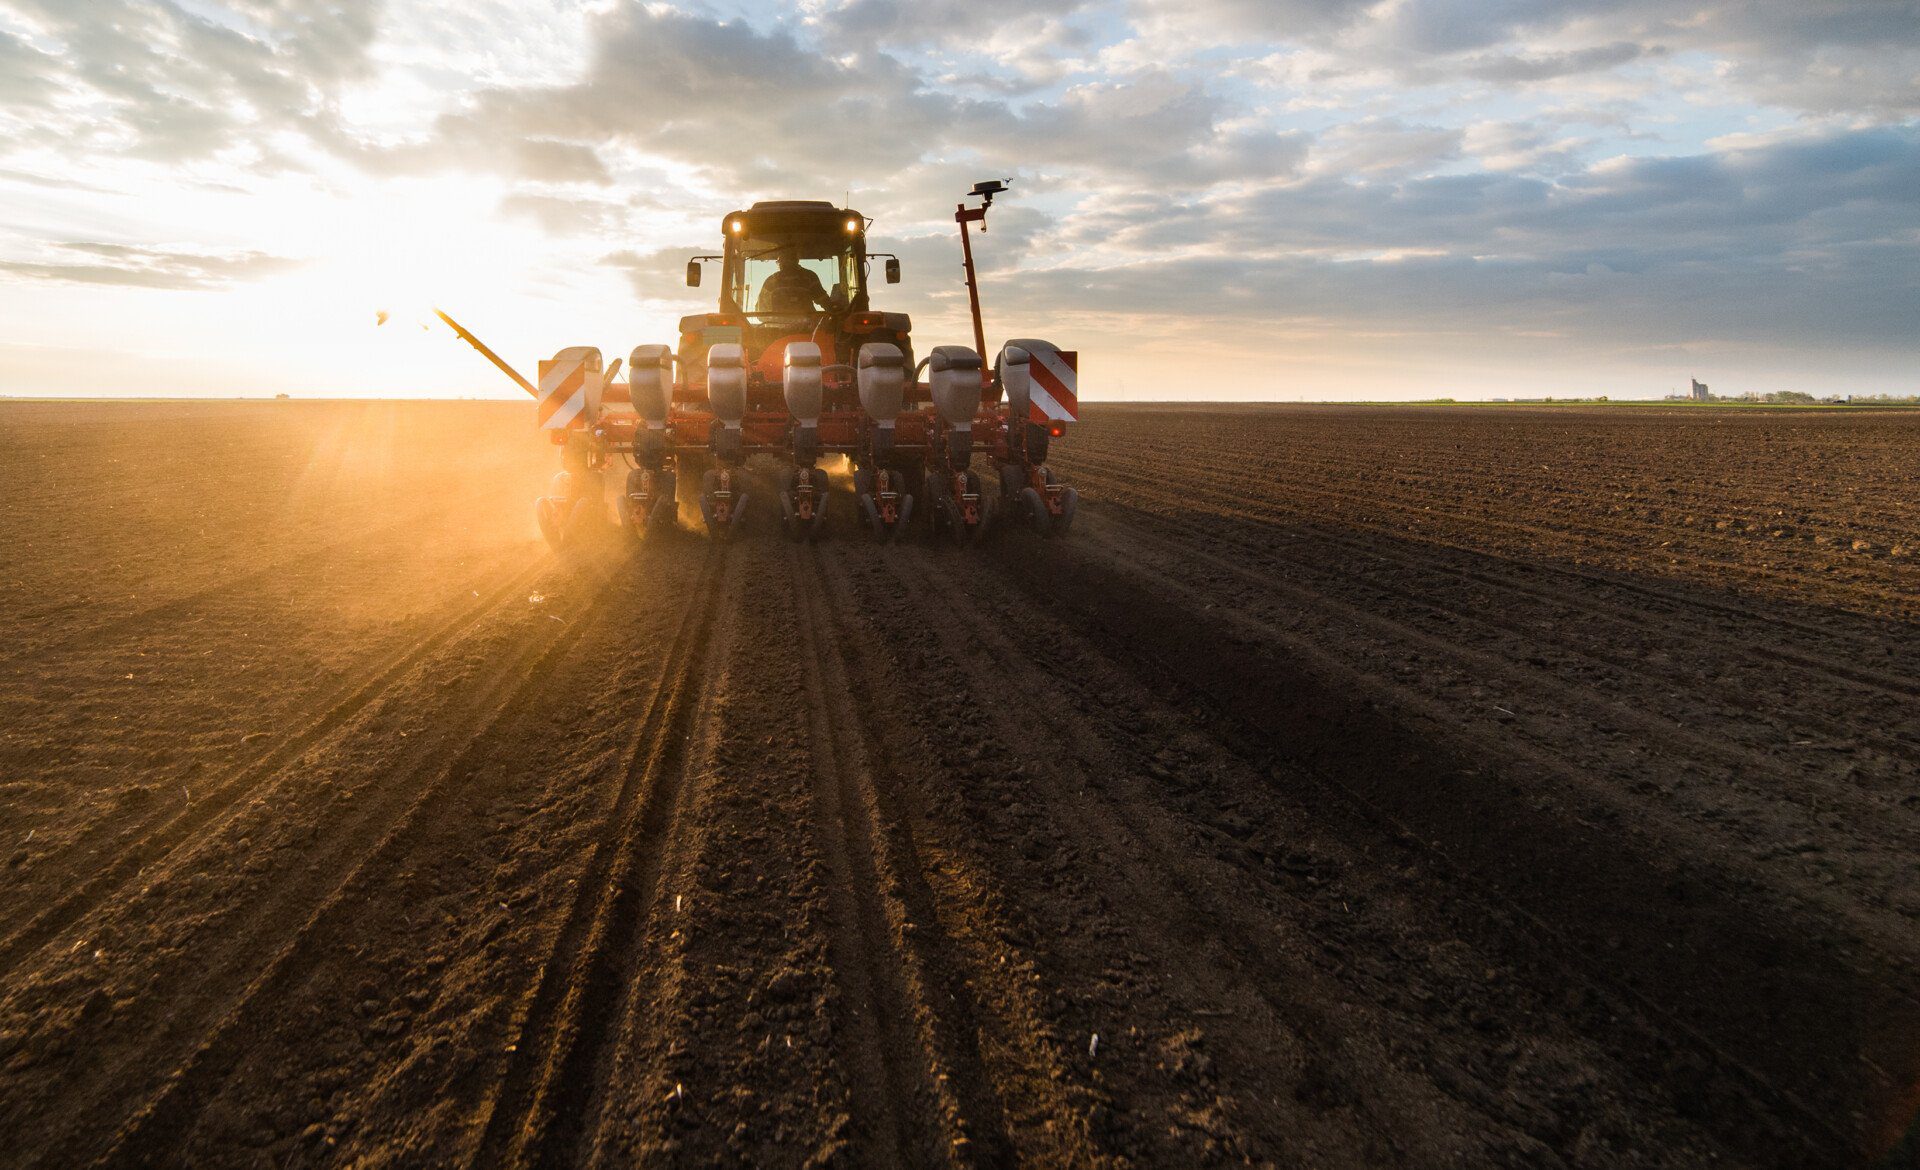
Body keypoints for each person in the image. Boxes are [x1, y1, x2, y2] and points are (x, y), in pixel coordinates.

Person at [755, 246, 831, 314]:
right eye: (783, 259)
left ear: (795, 260)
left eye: (789, 258)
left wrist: (833, 309)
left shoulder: (809, 277)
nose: (785, 262)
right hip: (778, 328)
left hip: (808, 328)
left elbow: (824, 301)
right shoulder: (771, 281)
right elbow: (760, 310)